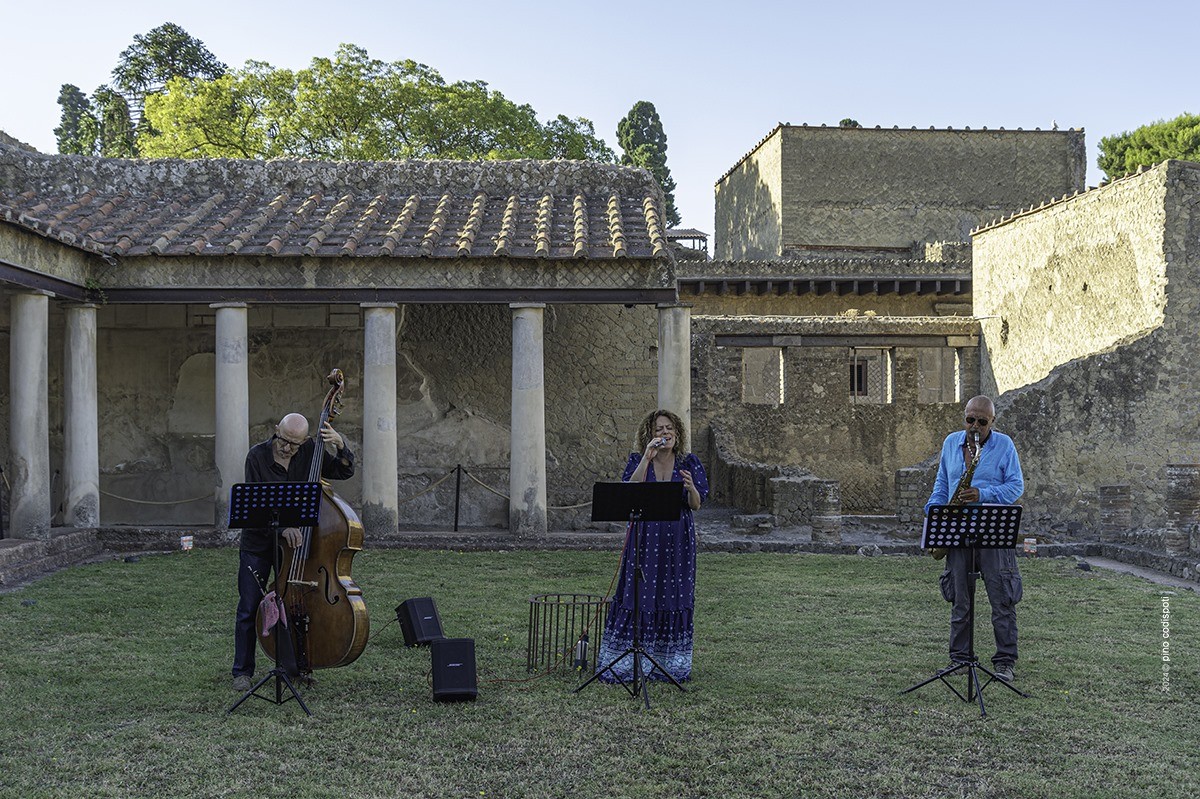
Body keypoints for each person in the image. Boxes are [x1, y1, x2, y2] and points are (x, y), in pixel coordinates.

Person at [231, 412, 355, 691]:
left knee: (295, 606)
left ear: (306, 441)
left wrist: (340, 445)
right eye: (283, 440)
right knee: (249, 606)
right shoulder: (257, 457)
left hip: (297, 548)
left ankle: (296, 666)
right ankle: (242, 671)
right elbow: (254, 510)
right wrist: (282, 527)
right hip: (260, 544)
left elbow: (344, 471)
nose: (287, 448)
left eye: (294, 444)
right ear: (276, 430)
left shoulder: (311, 452)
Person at [596, 409, 708, 684]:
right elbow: (629, 491)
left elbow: (695, 504)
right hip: (644, 539)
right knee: (640, 592)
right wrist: (646, 458)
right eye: (659, 429)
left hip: (678, 541)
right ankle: (630, 662)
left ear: (677, 433)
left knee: (673, 593)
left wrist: (691, 488)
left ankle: (670, 662)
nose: (665, 433)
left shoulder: (688, 462)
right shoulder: (638, 460)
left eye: (669, 428)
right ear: (650, 435)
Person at [924, 395, 1025, 683]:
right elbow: (942, 483)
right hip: (956, 530)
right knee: (960, 599)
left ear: (992, 421)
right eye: (970, 420)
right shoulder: (950, 443)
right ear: (964, 417)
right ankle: (959, 658)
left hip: (992, 531)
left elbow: (1016, 486)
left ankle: (1004, 663)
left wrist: (983, 494)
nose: (975, 426)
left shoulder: (1004, 445)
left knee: (1001, 597)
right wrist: (934, 512)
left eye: (982, 422)